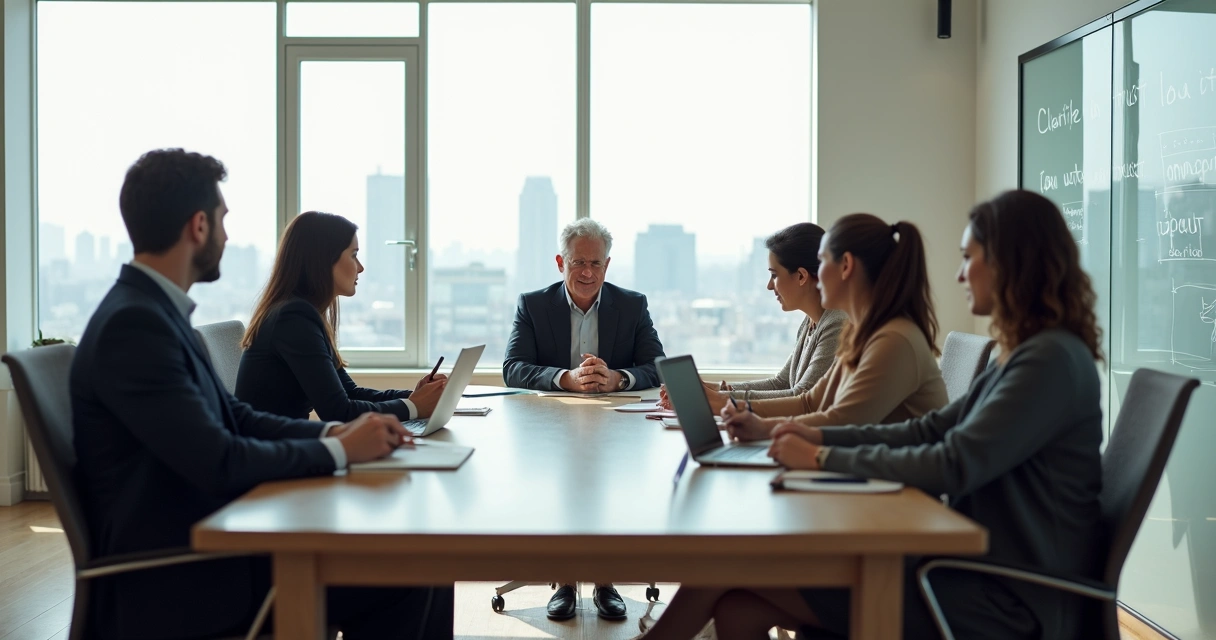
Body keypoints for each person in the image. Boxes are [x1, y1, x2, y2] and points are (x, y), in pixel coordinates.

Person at [641, 190, 1105, 639]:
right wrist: (816, 444)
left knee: (731, 569)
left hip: (1002, 596)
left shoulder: (1049, 362)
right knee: (737, 607)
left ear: (1010, 261)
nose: (961, 275)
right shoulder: (1023, 355)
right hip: (970, 572)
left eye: (969, 257)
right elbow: (931, 428)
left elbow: (953, 461)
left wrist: (820, 457)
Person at [70, 149, 454, 640]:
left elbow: (237, 415)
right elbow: (219, 459)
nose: (229, 236)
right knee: (415, 572)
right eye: (224, 220)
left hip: (215, 539)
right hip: (184, 574)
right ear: (199, 226)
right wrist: (337, 448)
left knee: (422, 561)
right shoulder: (135, 326)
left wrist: (342, 431)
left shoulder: (154, 313)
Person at [502, 218, 666, 621]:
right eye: (578, 263)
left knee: (606, 490)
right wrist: (565, 379)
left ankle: (605, 580)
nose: (587, 272)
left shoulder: (632, 304)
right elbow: (513, 367)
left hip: (616, 424)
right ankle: (566, 581)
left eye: (596, 263)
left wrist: (617, 378)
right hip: (553, 423)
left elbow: (657, 366)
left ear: (608, 265)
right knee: (563, 487)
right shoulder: (534, 304)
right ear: (561, 262)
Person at [719, 213, 947, 440]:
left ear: (845, 265)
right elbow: (810, 402)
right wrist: (745, 412)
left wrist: (763, 428)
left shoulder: (895, 339)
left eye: (823, 260)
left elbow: (842, 422)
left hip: (901, 474)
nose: (816, 273)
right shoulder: (861, 331)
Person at [236, 211, 447, 422]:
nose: (361, 268)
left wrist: (414, 397)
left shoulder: (299, 312)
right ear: (323, 260)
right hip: (277, 451)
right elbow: (339, 411)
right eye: (354, 255)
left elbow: (350, 394)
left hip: (287, 445)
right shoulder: (293, 318)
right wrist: (413, 407)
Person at [658, 222, 845, 412]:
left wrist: (719, 399)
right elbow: (781, 383)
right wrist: (716, 389)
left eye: (774, 275)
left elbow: (801, 397)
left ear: (801, 276)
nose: (769, 286)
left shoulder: (837, 323)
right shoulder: (811, 322)